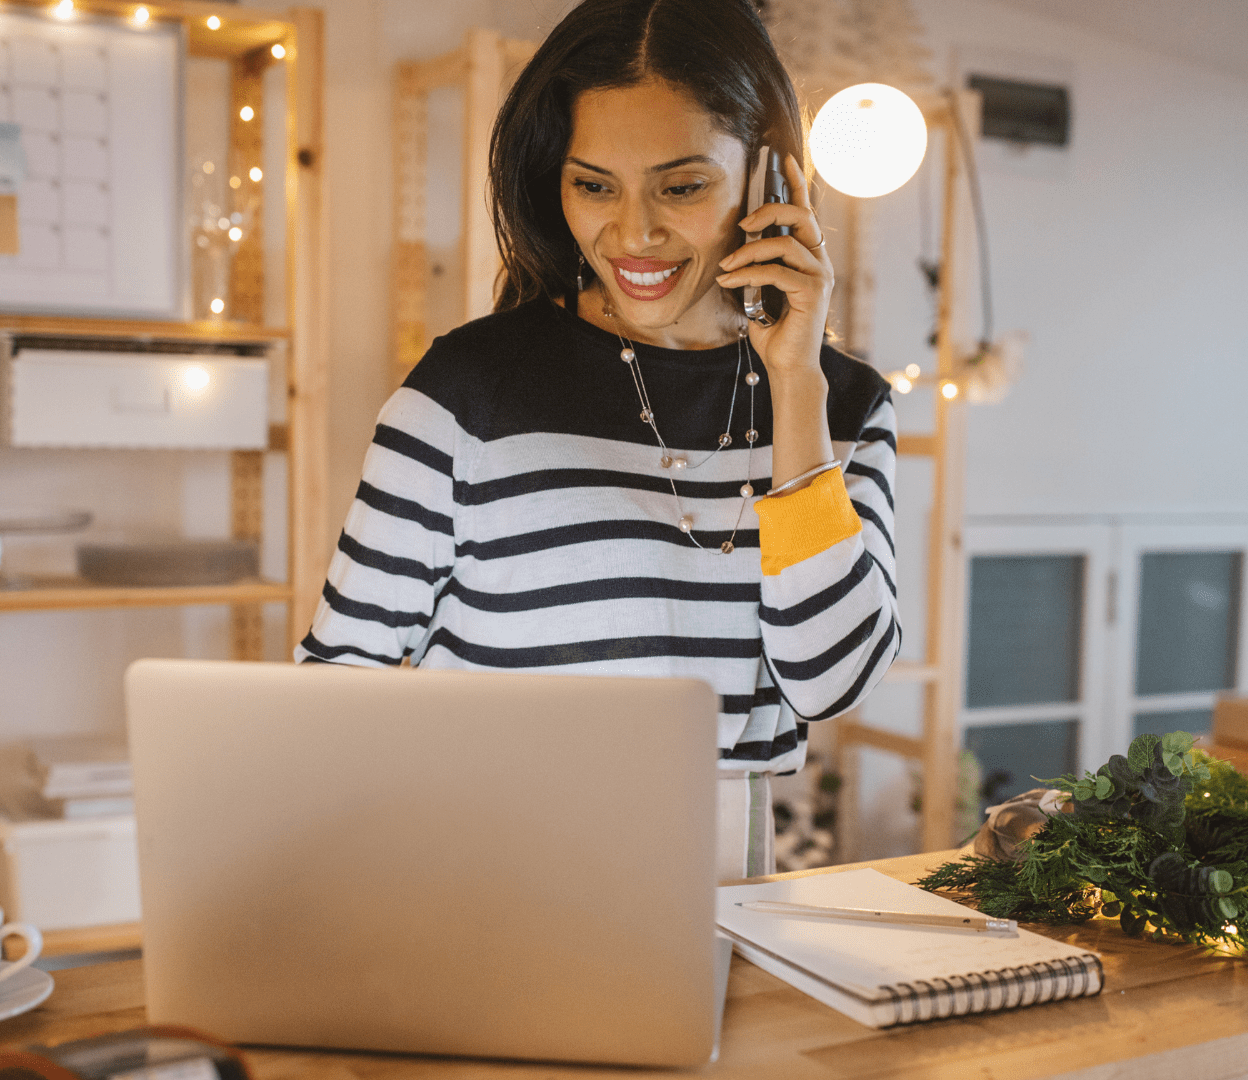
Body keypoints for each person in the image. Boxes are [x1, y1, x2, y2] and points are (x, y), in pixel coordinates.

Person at [296, 0, 899, 878]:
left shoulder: (841, 407)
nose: (634, 233)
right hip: (487, 873)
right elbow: (333, 683)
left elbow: (831, 680)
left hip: (723, 883)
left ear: (771, 177)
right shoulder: (466, 393)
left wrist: (796, 384)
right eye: (594, 185)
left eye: (681, 186)